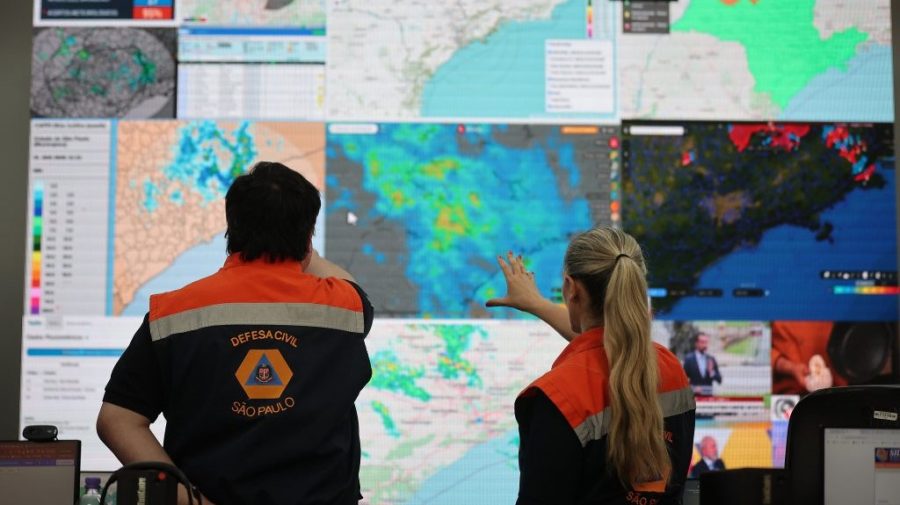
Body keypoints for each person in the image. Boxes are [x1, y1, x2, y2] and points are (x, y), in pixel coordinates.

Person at [96, 162, 374, 505]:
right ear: (307, 237)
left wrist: (190, 500)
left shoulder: (172, 313)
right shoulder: (345, 308)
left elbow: (117, 419)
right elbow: (348, 284)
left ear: (231, 227)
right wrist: (300, 243)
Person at [486, 227, 696, 505]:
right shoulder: (671, 369)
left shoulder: (558, 398)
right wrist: (536, 304)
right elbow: (607, 340)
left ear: (571, 289)